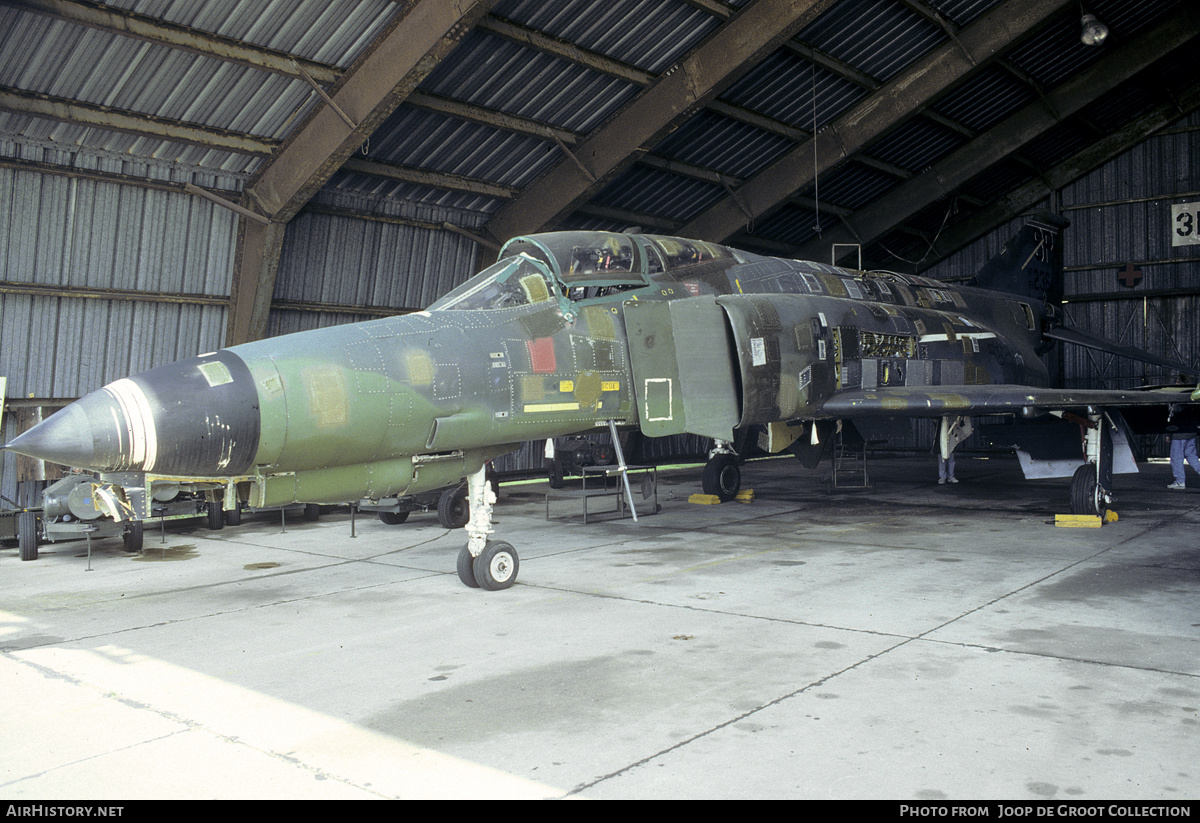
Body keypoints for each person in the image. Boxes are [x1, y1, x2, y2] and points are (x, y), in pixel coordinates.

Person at [1168, 425, 1200, 490]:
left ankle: (1180, 482)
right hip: (1191, 432)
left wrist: (1168, 434)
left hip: (1179, 434)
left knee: (1176, 457)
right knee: (1191, 455)